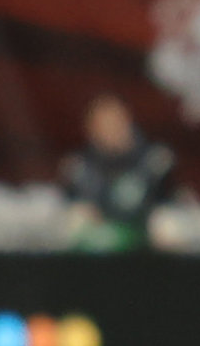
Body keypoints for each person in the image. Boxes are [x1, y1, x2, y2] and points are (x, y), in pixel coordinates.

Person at [62, 93, 176, 252]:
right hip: (100, 229)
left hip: (143, 230)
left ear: (126, 121)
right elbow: (78, 202)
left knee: (168, 226)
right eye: (103, 124)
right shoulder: (79, 165)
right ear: (91, 128)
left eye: (114, 122)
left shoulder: (155, 159)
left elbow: (166, 202)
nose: (110, 130)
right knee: (74, 220)